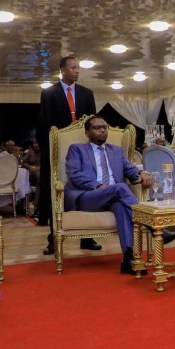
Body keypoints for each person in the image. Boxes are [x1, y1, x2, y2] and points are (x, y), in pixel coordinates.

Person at [64, 116, 175, 275]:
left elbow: (130, 169)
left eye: (104, 127)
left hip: (113, 197)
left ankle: (128, 259)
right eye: (97, 127)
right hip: (88, 197)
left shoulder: (116, 151)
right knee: (121, 188)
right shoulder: (77, 149)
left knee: (122, 207)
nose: (102, 130)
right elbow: (74, 174)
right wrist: (97, 185)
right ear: (87, 132)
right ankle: (153, 226)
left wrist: (141, 173)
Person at [38, 56, 99, 255]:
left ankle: (87, 237)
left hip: (82, 151)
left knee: (86, 191)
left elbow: (93, 124)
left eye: (78, 67)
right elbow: (46, 124)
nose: (77, 71)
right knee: (54, 194)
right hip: (57, 151)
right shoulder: (49, 93)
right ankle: (53, 239)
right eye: (73, 68)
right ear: (63, 70)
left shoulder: (87, 94)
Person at [21, 140, 41, 214]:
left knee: (40, 183)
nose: (36, 145)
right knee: (40, 178)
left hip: (41, 172)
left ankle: (36, 205)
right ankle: (36, 205)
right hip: (32, 173)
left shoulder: (45, 151)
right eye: (34, 143)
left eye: (37, 143)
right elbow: (23, 163)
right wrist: (30, 167)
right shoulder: (30, 152)